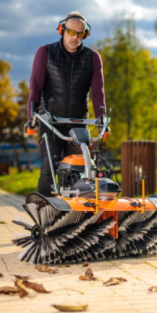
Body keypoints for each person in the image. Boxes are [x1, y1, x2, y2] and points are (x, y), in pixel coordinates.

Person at [25, 11, 106, 196]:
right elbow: (35, 87)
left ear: (85, 35)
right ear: (62, 30)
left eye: (79, 34)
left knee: (78, 171)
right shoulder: (45, 52)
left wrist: (102, 119)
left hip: (78, 123)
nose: (74, 37)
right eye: (71, 32)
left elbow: (98, 91)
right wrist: (31, 119)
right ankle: (44, 213)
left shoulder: (92, 58)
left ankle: (75, 218)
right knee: (49, 170)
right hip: (50, 122)